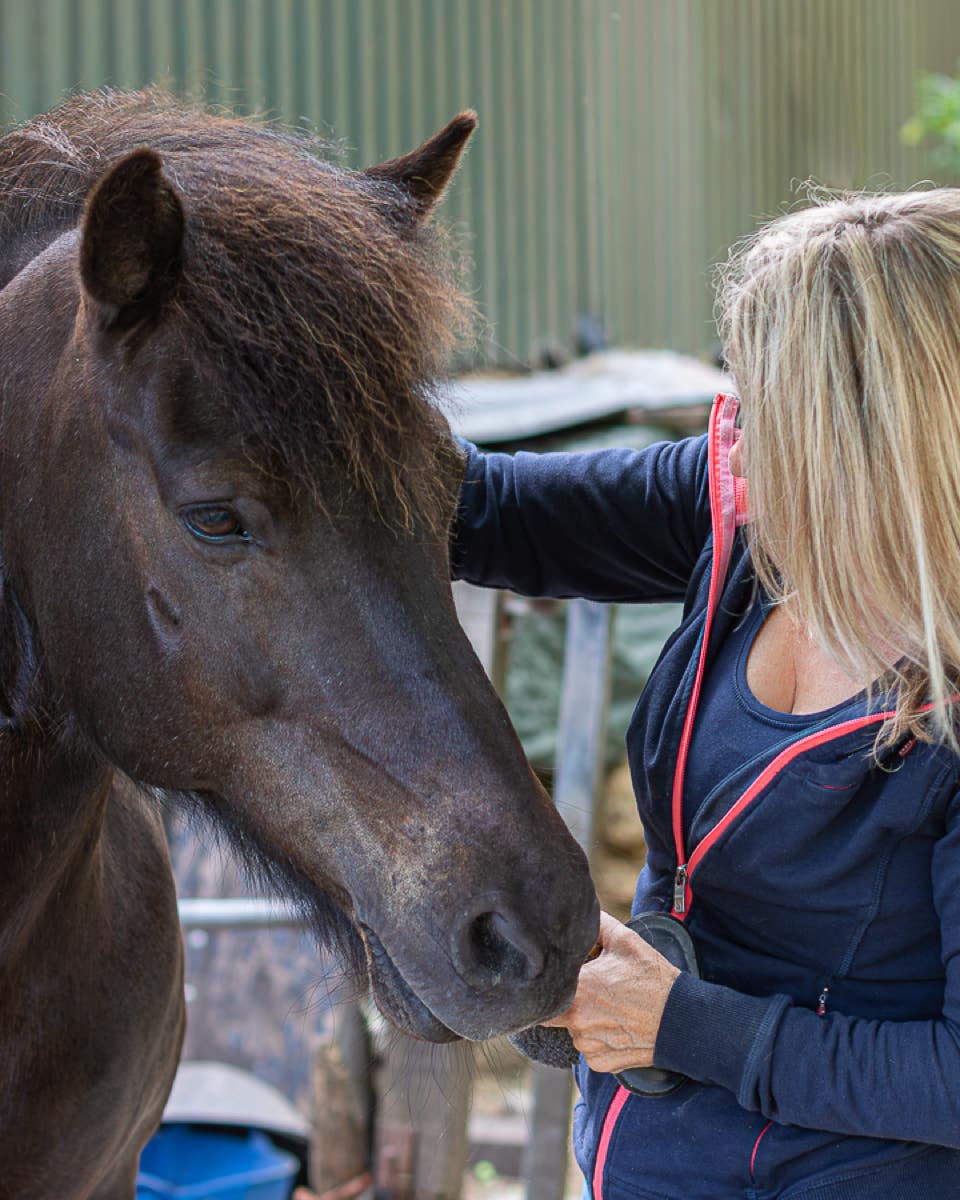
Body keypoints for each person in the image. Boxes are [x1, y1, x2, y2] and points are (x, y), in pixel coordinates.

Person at [452, 190, 960, 1199]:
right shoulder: (754, 525)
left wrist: (685, 1025)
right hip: (658, 1151)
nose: (728, 433)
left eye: (757, 401)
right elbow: (484, 511)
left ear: (859, 448)